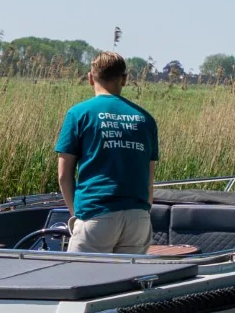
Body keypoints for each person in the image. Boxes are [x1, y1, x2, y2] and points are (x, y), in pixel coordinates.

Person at [54, 51, 158, 253]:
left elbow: (63, 175)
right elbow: (149, 179)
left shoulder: (78, 114)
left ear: (90, 78)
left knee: (78, 280)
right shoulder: (146, 119)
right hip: (138, 219)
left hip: (96, 213)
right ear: (124, 79)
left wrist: (78, 214)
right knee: (129, 283)